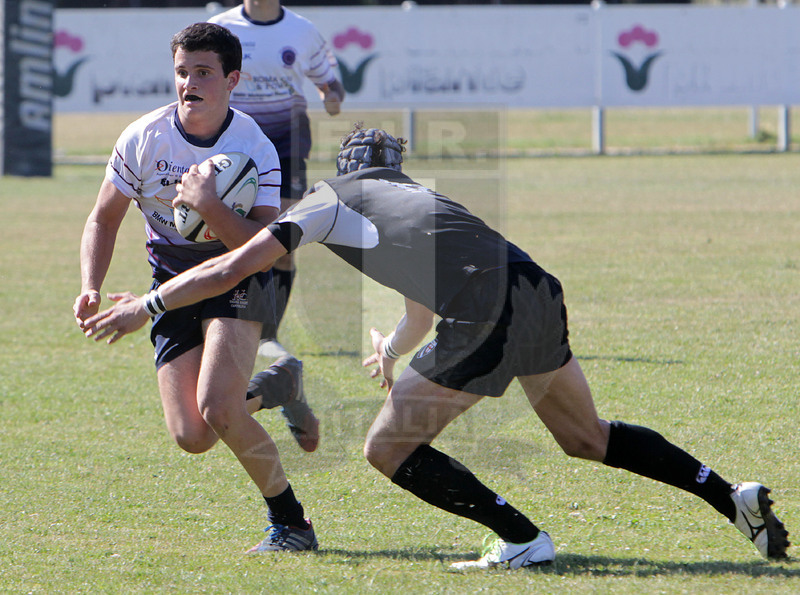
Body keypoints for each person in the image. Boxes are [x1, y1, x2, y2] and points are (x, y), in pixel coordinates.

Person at [81, 124, 790, 568]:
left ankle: (519, 536)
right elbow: (424, 305)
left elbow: (236, 266)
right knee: (587, 436)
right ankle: (732, 497)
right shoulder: (423, 200)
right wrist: (392, 347)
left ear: (348, 163)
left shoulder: (332, 197)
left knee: (385, 449)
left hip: (484, 309)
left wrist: (145, 304)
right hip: (535, 288)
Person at [73, 22, 319, 553]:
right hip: (172, 281)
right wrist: (91, 285)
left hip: (239, 281)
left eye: (203, 72)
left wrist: (208, 206)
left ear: (232, 79)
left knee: (219, 407)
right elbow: (103, 219)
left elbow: (263, 244)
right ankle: (278, 387)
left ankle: (292, 525)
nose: (190, 83)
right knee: (193, 435)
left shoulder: (255, 145)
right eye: (182, 72)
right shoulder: (144, 137)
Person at [209, 0, 346, 354]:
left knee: (281, 244)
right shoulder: (219, 28)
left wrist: (331, 97)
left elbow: (331, 84)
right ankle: (218, 324)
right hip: (232, 146)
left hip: (287, 142)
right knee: (224, 237)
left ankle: (268, 336)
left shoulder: (303, 30)